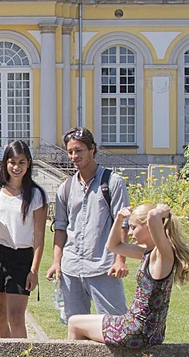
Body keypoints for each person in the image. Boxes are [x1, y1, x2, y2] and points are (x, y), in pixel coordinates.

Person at [67, 202, 189, 346]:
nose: (129, 233)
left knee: (74, 323)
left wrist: (162, 211)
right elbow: (114, 246)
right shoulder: (148, 253)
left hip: (135, 330)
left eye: (133, 228)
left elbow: (153, 216)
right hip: (147, 330)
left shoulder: (162, 255)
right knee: (83, 321)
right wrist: (119, 219)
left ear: (149, 227)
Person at [47, 127, 131, 321]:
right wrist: (56, 262)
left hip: (104, 267)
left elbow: (123, 224)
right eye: (70, 152)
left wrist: (121, 260)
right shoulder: (65, 188)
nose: (74, 156)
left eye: (79, 150)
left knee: (114, 324)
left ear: (92, 149)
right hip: (71, 268)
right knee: (74, 326)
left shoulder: (112, 182)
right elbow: (60, 227)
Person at [0, 140, 47, 338]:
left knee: (16, 316)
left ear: (29, 163)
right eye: (12, 162)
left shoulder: (36, 194)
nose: (16, 167)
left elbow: (39, 236)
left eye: (21, 162)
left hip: (21, 257)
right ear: (5, 163)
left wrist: (34, 270)